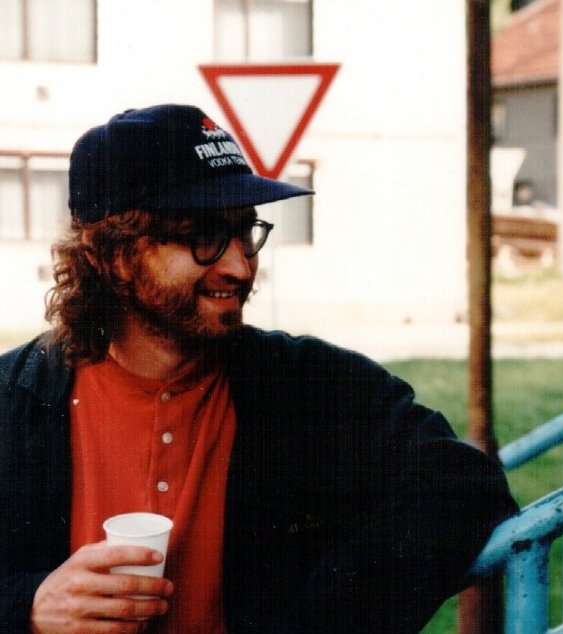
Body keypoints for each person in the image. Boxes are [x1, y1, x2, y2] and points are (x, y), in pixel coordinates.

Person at [0, 105, 518, 633]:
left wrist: (321, 618)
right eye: (203, 236)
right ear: (110, 256)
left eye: (244, 231)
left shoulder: (305, 384)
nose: (240, 265)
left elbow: (465, 487)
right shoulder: (13, 401)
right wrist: (29, 606)